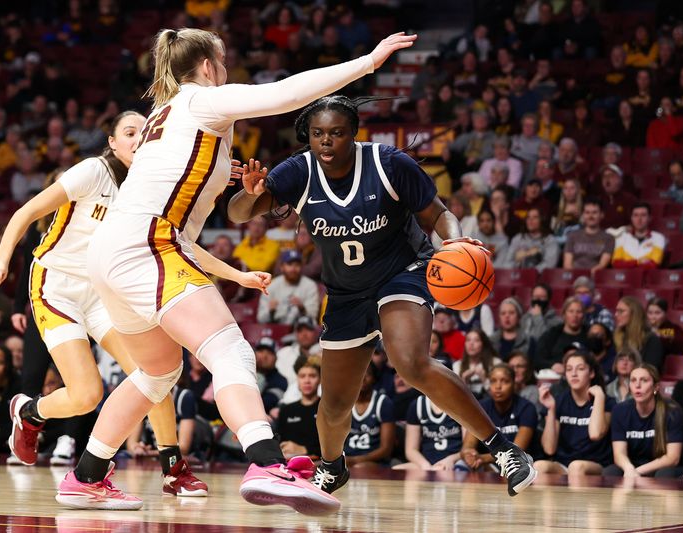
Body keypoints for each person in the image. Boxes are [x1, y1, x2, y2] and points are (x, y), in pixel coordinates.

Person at [58, 28, 420, 514]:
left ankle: (86, 476)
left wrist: (222, 174)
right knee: (230, 349)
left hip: (112, 252)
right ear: (208, 66)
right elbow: (286, 93)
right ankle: (267, 460)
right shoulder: (201, 99)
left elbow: (172, 175)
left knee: (158, 371)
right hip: (148, 243)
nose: (225, 71)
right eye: (222, 62)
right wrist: (368, 62)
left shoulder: (160, 115)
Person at [229, 95, 536, 497]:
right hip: (345, 294)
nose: (326, 142)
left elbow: (438, 214)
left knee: (410, 362)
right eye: (318, 134)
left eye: (336, 133)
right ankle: (332, 466)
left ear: (354, 134)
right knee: (334, 404)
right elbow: (237, 213)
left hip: (402, 273)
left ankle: (503, 449)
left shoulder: (389, 163)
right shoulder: (299, 171)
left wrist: (454, 240)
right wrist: (251, 194)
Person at [0, 112, 230, 497]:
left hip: (104, 290)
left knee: (154, 373)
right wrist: (0, 259)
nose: (137, 139)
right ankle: (29, 413)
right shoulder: (92, 172)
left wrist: (236, 274)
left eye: (144, 133)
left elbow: (184, 243)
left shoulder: (151, 188)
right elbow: (26, 212)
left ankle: (173, 468)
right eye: (129, 133)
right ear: (112, 143)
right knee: (87, 395)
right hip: (56, 285)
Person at [534, 351, 614, 477]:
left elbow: (595, 434)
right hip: (564, 464)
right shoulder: (558, 400)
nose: (574, 374)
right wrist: (551, 409)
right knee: (539, 466)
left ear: (591, 373)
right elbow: (549, 449)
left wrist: (598, 397)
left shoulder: (606, 401)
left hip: (596, 465)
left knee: (576, 466)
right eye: (569, 369)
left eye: (580, 369)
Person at [605, 365, 683, 478]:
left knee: (664, 474)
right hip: (633, 465)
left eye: (644, 380)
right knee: (610, 472)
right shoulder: (620, 411)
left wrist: (638, 471)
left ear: (656, 387)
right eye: (633, 380)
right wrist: (629, 468)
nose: (638, 385)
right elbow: (619, 454)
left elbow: (673, 458)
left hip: (662, 466)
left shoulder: (672, 411)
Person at [458, 365, 537, 473]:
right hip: (488, 466)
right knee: (460, 465)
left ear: (514, 384)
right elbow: (468, 444)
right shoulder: (481, 407)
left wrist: (482, 458)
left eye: (505, 381)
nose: (498, 386)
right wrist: (469, 454)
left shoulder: (526, 408)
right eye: (493, 381)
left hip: (518, 465)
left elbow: (517, 450)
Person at [343, 362, 395, 467]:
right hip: (346, 458)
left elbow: (386, 449)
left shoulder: (383, 403)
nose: (363, 377)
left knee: (358, 468)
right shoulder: (344, 402)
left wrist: (355, 460)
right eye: (358, 374)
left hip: (375, 461)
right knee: (315, 467)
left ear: (374, 378)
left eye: (367, 374)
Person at [394, 394, 463, 471]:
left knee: (442, 473)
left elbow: (467, 449)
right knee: (396, 470)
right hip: (426, 462)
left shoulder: (461, 404)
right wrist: (426, 466)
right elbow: (411, 450)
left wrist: (451, 460)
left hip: (453, 462)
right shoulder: (418, 405)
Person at [256, 249, 320, 325]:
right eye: (289, 264)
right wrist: (270, 311)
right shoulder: (271, 285)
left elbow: (313, 318)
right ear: (282, 267)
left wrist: (302, 308)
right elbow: (260, 318)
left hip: (298, 330)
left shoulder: (310, 285)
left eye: (297, 265)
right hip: (276, 328)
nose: (293, 269)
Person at [277, 355, 322, 459]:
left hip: (319, 465)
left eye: (312, 376)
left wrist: (304, 449)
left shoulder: (328, 410)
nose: (307, 381)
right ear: (297, 379)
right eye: (302, 376)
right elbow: (279, 443)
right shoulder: (286, 411)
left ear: (320, 379)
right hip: (288, 464)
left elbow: (336, 447)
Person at [535, 297, 589, 373]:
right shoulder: (552, 334)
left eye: (579, 312)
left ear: (583, 315)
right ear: (564, 314)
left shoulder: (589, 335)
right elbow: (538, 359)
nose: (575, 315)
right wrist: (552, 365)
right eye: (571, 311)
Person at [497, 207, 559, 272]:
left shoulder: (550, 240)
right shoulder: (518, 239)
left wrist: (529, 273)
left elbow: (549, 265)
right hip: (517, 277)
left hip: (540, 279)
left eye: (535, 217)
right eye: (528, 217)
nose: (530, 220)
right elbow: (507, 263)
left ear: (542, 220)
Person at [563, 198, 614, 273]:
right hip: (574, 278)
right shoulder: (572, 236)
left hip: (596, 277)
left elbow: (602, 265)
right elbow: (567, 264)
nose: (590, 216)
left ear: (601, 215)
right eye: (587, 212)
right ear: (583, 215)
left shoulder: (608, 238)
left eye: (594, 212)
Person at [614, 297, 664, 371]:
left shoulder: (651, 340)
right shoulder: (617, 337)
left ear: (634, 314)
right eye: (616, 311)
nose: (616, 314)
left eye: (621, 311)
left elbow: (650, 371)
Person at [611, 203, 667, 269]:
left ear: (649, 218)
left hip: (648, 278)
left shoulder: (658, 238)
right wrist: (638, 262)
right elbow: (616, 263)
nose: (639, 219)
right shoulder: (622, 237)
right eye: (635, 215)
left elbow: (654, 264)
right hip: (625, 277)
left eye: (643, 215)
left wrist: (628, 264)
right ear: (631, 218)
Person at [453, 329, 503, 398]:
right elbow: (457, 398)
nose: (471, 344)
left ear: (483, 344)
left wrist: (484, 380)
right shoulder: (457, 365)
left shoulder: (495, 362)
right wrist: (464, 381)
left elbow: (500, 396)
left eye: (476, 340)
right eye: (468, 340)